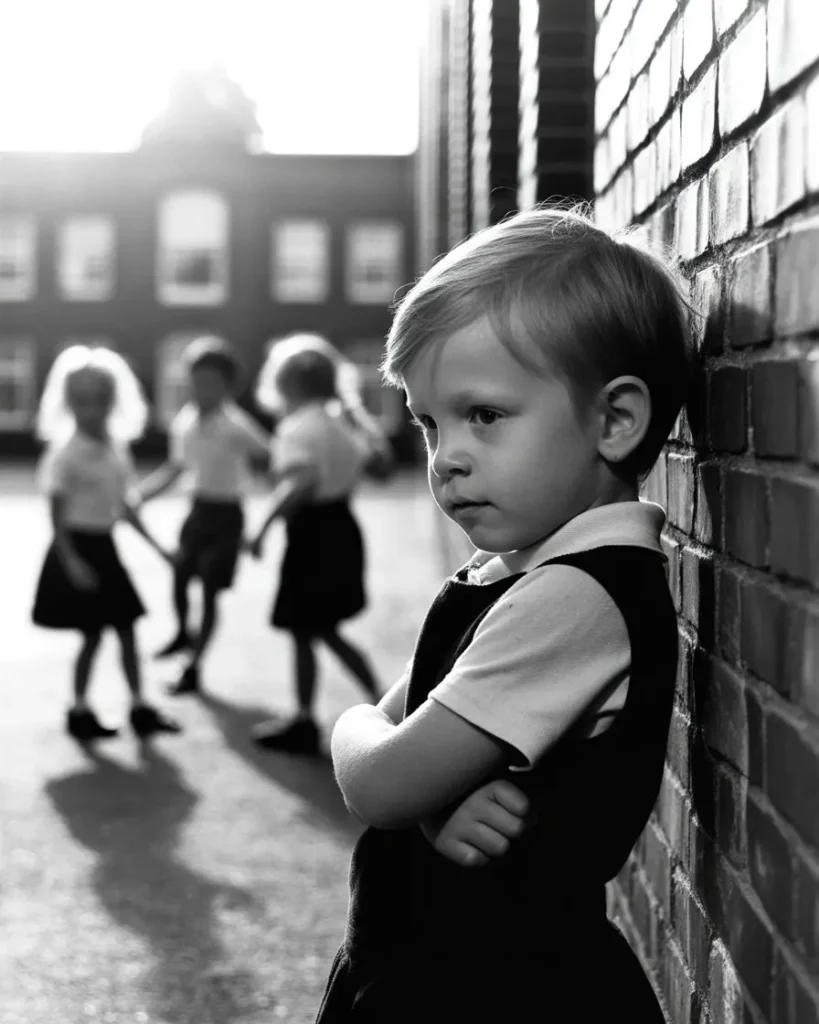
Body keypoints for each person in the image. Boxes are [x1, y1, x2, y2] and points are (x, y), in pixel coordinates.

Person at [315, 205, 693, 1023]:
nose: (445, 456)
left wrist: (362, 738)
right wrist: (424, 789)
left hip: (488, 985)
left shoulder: (573, 596)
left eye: (483, 415)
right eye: (427, 423)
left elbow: (377, 775)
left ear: (614, 420)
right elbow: (404, 747)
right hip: (446, 966)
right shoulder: (522, 575)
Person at [31, 345, 182, 741]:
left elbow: (126, 508)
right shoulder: (65, 454)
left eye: (100, 398)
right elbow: (56, 518)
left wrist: (161, 549)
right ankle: (79, 710)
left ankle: (139, 707)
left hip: (105, 547)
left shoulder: (115, 447)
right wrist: (71, 562)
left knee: (128, 628)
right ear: (68, 402)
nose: (91, 408)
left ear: (113, 399)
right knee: (92, 634)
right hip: (77, 549)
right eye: (81, 399)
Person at [246, 333, 384, 755]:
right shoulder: (342, 423)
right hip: (342, 527)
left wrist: (262, 526)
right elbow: (383, 469)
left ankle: (331, 715)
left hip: (312, 536)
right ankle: (369, 703)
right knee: (319, 628)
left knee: (309, 629)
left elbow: (299, 483)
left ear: (285, 384)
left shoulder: (297, 428)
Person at [137, 336, 270, 696]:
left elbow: (269, 455)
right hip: (198, 511)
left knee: (210, 590)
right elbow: (175, 469)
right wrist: (141, 496)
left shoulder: (236, 424)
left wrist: (271, 506)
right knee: (180, 576)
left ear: (228, 386)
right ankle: (183, 633)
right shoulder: (186, 421)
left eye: (210, 383)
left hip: (228, 516)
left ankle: (193, 666)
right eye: (195, 381)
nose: (200, 389)